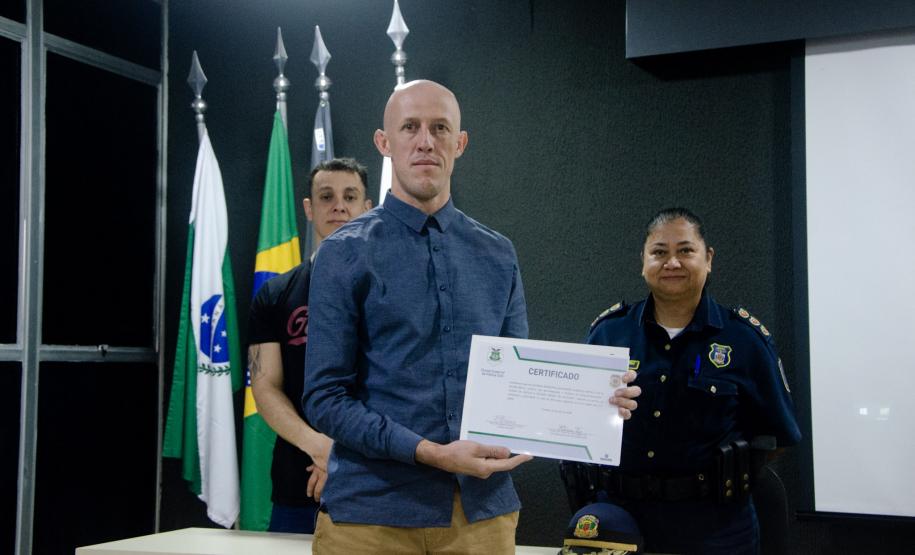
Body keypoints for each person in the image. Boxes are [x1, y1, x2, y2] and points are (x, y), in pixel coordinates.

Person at [302, 80, 640, 553]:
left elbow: (518, 388)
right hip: (369, 519)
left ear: (459, 144)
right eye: (410, 128)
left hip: (481, 519)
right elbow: (324, 398)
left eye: (440, 128)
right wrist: (430, 454)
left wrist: (595, 406)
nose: (426, 141)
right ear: (385, 143)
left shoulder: (498, 254)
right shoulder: (342, 254)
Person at [568, 207, 802, 555]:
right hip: (621, 522)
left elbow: (778, 436)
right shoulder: (608, 332)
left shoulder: (745, 340)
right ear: (643, 261)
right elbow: (573, 421)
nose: (672, 263)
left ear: (708, 259)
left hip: (715, 528)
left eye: (685, 251)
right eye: (659, 252)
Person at [247, 157, 372, 533]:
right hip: (296, 483)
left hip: (374, 483)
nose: (339, 206)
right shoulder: (275, 294)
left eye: (350, 196)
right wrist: (320, 448)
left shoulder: (393, 294)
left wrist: (344, 454)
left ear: (368, 208)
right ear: (308, 207)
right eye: (326, 196)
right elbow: (265, 385)